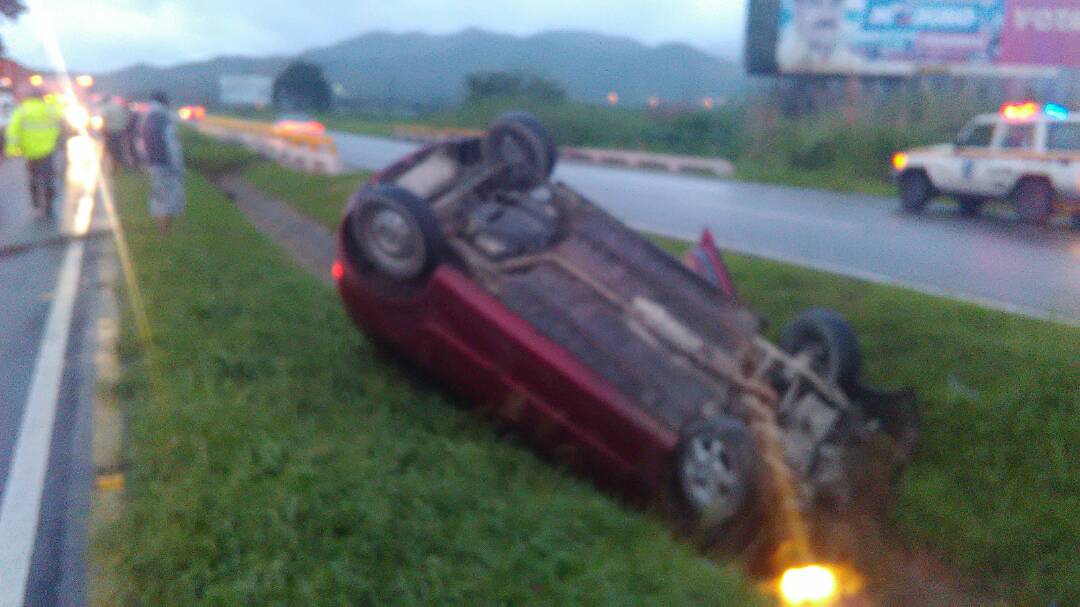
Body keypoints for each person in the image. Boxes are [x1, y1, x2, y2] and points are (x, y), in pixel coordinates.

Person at [4, 86, 63, 217]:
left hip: (30, 151)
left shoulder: (22, 110)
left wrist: (12, 149)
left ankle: (36, 201)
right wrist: (53, 98)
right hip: (48, 150)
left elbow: (12, 130)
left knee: (33, 176)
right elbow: (60, 113)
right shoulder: (49, 109)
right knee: (48, 177)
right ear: (42, 96)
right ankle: (49, 205)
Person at [140, 91, 185, 232]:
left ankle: (162, 230)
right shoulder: (165, 119)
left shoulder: (147, 118)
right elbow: (173, 145)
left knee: (158, 197)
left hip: (153, 164)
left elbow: (141, 143)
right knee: (169, 199)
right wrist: (179, 167)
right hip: (167, 165)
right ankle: (164, 231)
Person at [101, 95, 131, 169]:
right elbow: (125, 117)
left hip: (111, 130)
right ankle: (121, 163)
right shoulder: (117, 106)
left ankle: (112, 164)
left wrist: (103, 129)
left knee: (110, 148)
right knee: (119, 147)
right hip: (121, 130)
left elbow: (103, 119)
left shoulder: (106, 107)